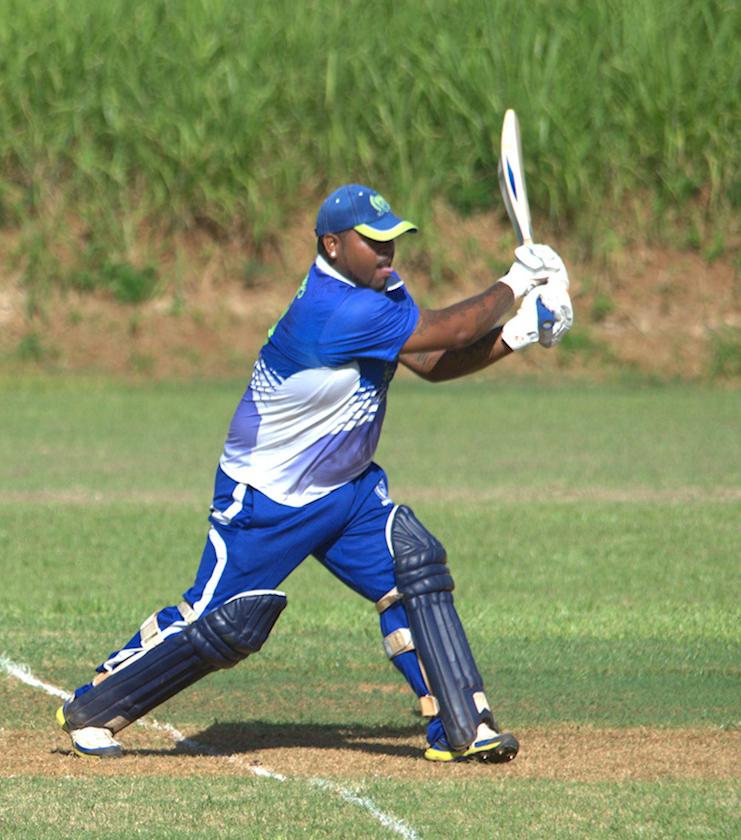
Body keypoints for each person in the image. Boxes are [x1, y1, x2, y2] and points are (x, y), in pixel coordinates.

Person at [56, 184, 573, 764]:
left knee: (413, 567)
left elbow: (429, 361)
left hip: (346, 489)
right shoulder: (335, 308)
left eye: (393, 241)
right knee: (223, 625)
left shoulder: (378, 289)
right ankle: (94, 708)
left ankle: (463, 726)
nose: (388, 253)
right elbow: (451, 332)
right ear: (332, 245)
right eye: (373, 242)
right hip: (269, 497)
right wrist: (516, 283)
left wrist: (518, 333)